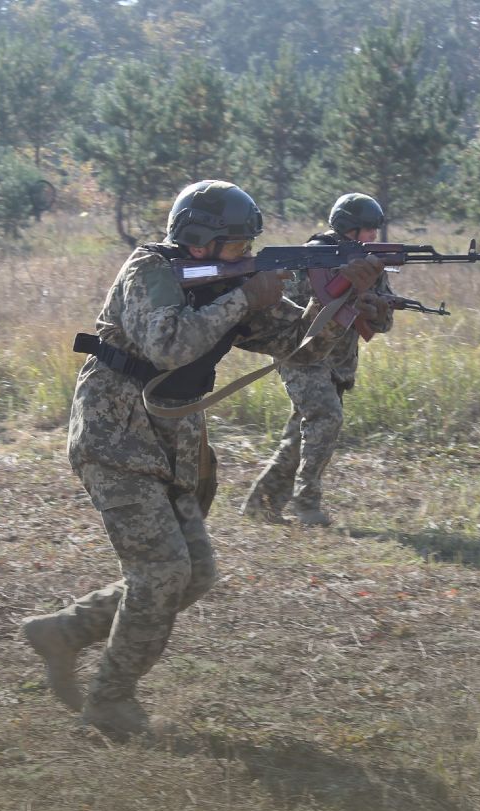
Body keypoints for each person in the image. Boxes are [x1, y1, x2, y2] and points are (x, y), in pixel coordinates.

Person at [21, 181, 386, 739]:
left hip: (174, 440)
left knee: (194, 574)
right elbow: (169, 344)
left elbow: (302, 350)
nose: (246, 257)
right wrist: (244, 296)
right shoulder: (149, 271)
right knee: (164, 571)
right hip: (114, 437)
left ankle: (66, 633)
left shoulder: (232, 282)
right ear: (200, 243)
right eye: (238, 247)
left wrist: (338, 299)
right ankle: (110, 701)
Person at [241, 193, 393, 526]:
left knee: (301, 436)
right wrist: (340, 293)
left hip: (338, 362)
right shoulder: (310, 259)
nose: (373, 236)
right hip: (301, 356)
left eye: (375, 230)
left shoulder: (371, 264)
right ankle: (307, 505)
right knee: (326, 418)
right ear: (349, 229)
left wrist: (375, 309)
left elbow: (383, 323)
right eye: (367, 229)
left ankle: (261, 504)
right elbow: (290, 316)